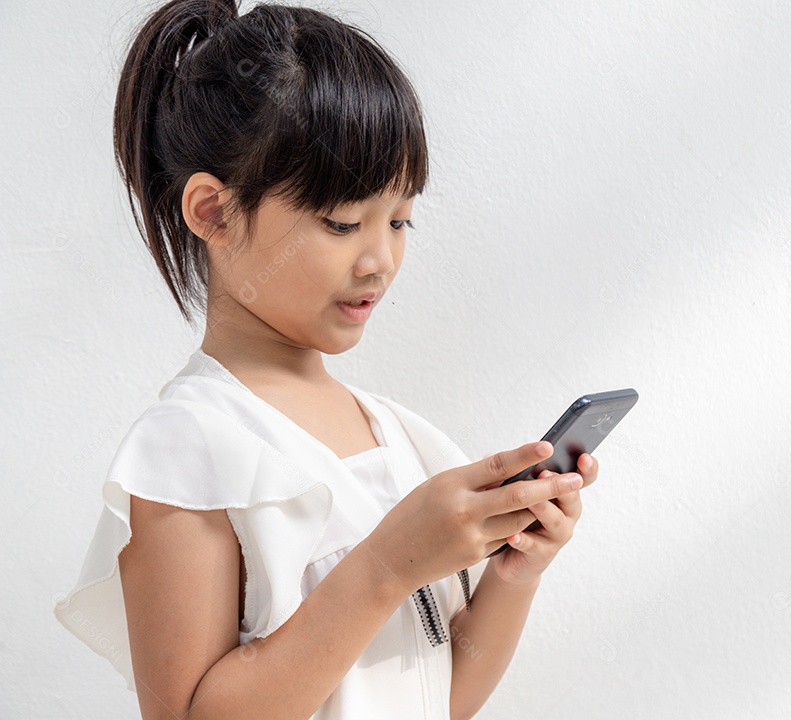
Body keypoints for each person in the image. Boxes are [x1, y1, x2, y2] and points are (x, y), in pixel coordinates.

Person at [51, 1, 599, 718]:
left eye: (400, 220)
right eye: (343, 222)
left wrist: (514, 575)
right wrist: (383, 566)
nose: (380, 259)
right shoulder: (187, 447)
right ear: (212, 213)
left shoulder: (394, 435)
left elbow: (441, 698)